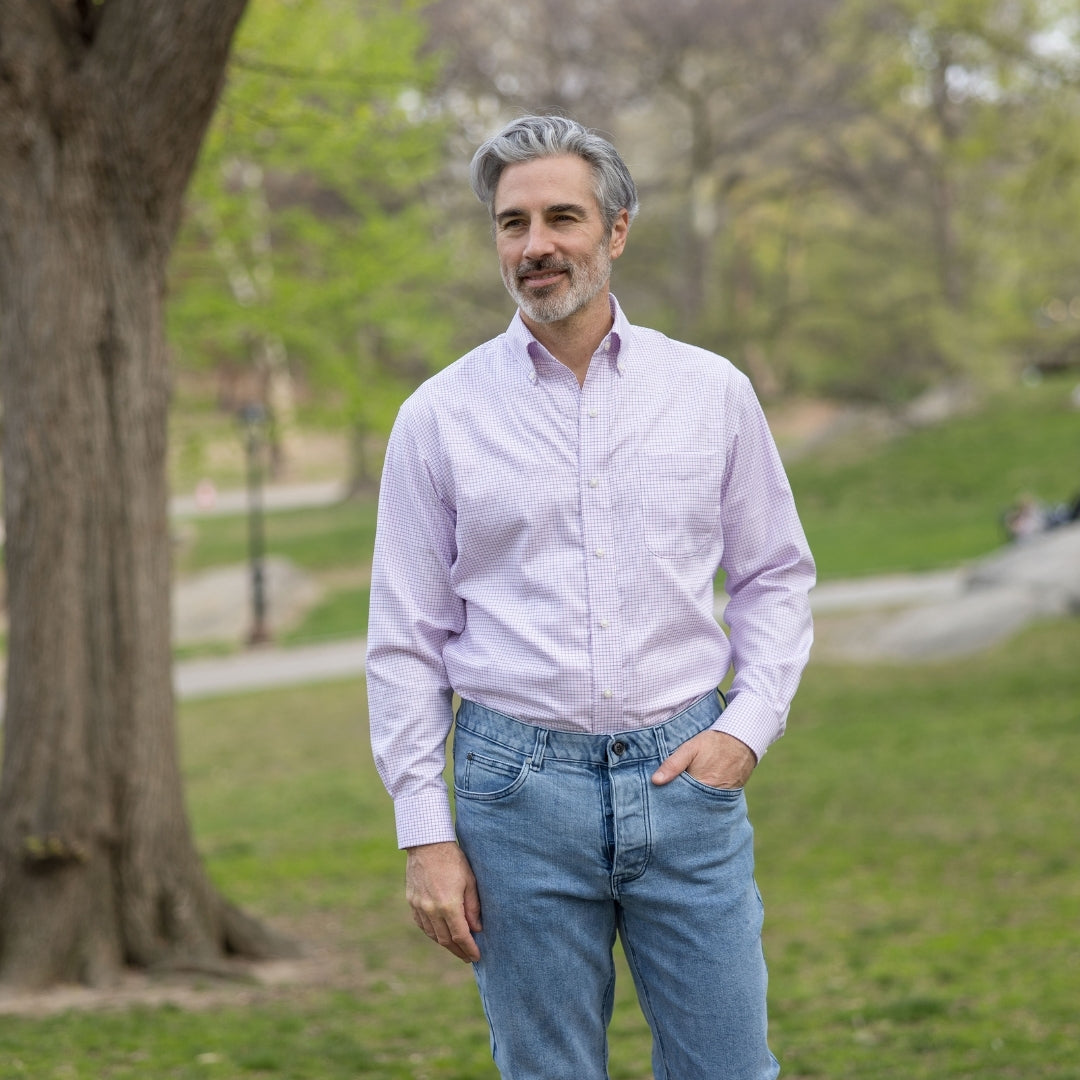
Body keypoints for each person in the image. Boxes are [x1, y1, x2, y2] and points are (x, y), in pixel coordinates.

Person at [367, 115, 815, 1080]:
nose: (536, 245)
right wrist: (425, 832)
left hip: (688, 779)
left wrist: (747, 728)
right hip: (513, 798)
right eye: (512, 223)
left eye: (562, 217)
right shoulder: (437, 416)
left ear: (616, 229)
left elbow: (775, 574)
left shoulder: (710, 391)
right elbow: (405, 639)